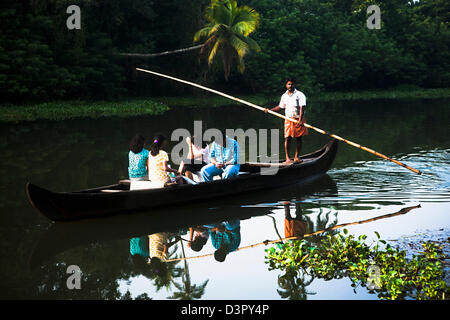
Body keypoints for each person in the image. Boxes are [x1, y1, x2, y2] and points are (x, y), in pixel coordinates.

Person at [264, 78, 308, 163]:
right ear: (286, 85)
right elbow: (280, 107)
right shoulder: (284, 96)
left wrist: (300, 120)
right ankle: (287, 158)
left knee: (299, 138)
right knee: (287, 138)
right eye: (288, 84)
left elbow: (302, 107)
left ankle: (296, 157)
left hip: (298, 118)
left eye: (292, 84)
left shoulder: (300, 94)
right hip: (288, 119)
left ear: (294, 85)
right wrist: (270, 110)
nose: (290, 86)